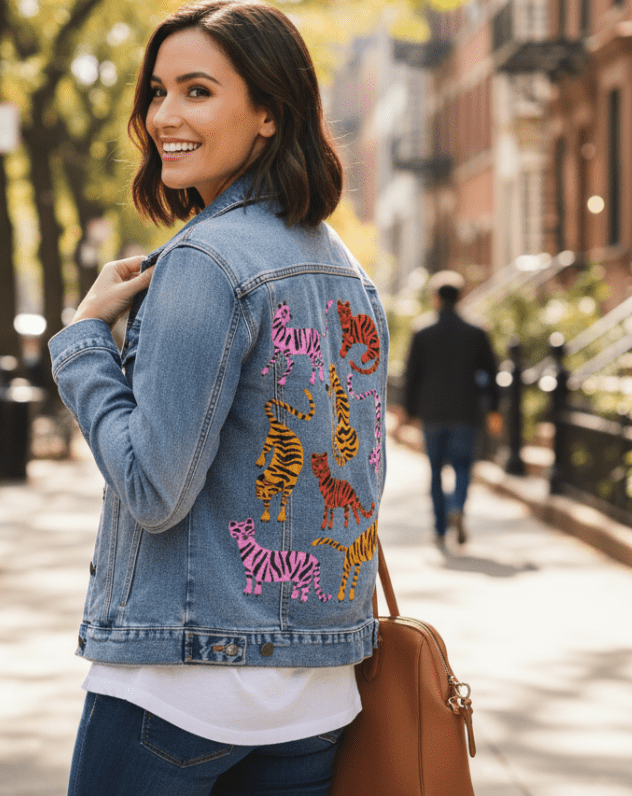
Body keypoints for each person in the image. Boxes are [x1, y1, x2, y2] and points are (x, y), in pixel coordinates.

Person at [48, 2, 388, 794]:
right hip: (315, 694)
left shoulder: (204, 262)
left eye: (197, 91)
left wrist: (85, 343)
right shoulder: (346, 271)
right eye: (158, 92)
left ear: (270, 111)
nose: (164, 115)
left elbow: (155, 489)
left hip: (180, 687)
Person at [402, 270, 502, 548]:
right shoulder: (476, 330)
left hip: (432, 413)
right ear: (462, 296)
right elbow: (492, 372)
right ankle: (457, 506)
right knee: (462, 467)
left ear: (435, 298)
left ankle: (439, 526)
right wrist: (494, 408)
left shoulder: (422, 330)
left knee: (435, 471)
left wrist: (408, 413)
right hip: (465, 412)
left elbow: (412, 375)